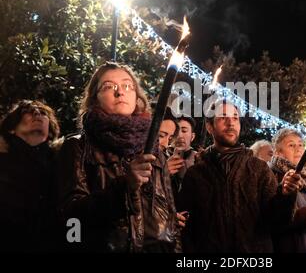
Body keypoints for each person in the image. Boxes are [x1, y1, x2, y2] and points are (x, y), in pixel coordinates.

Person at [57, 62, 178, 252]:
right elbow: (71, 216)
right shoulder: (78, 147)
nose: (120, 92)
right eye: (108, 86)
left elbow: (169, 214)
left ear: (137, 97)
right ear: (95, 99)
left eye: (127, 85)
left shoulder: (153, 148)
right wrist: (124, 186)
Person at [177, 100, 301, 252]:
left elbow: (278, 221)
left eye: (235, 117)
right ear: (210, 127)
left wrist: (286, 195)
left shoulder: (258, 168)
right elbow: (186, 226)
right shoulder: (195, 174)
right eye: (223, 117)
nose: (231, 123)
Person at [0, 100, 61, 252]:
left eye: (43, 114)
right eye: (29, 112)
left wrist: (75, 242)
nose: (37, 116)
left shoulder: (62, 162)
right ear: (12, 128)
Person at [167, 115, 197, 197]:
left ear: (192, 136)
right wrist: (164, 172)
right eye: (176, 131)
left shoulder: (200, 160)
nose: (179, 135)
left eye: (184, 131)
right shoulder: (159, 158)